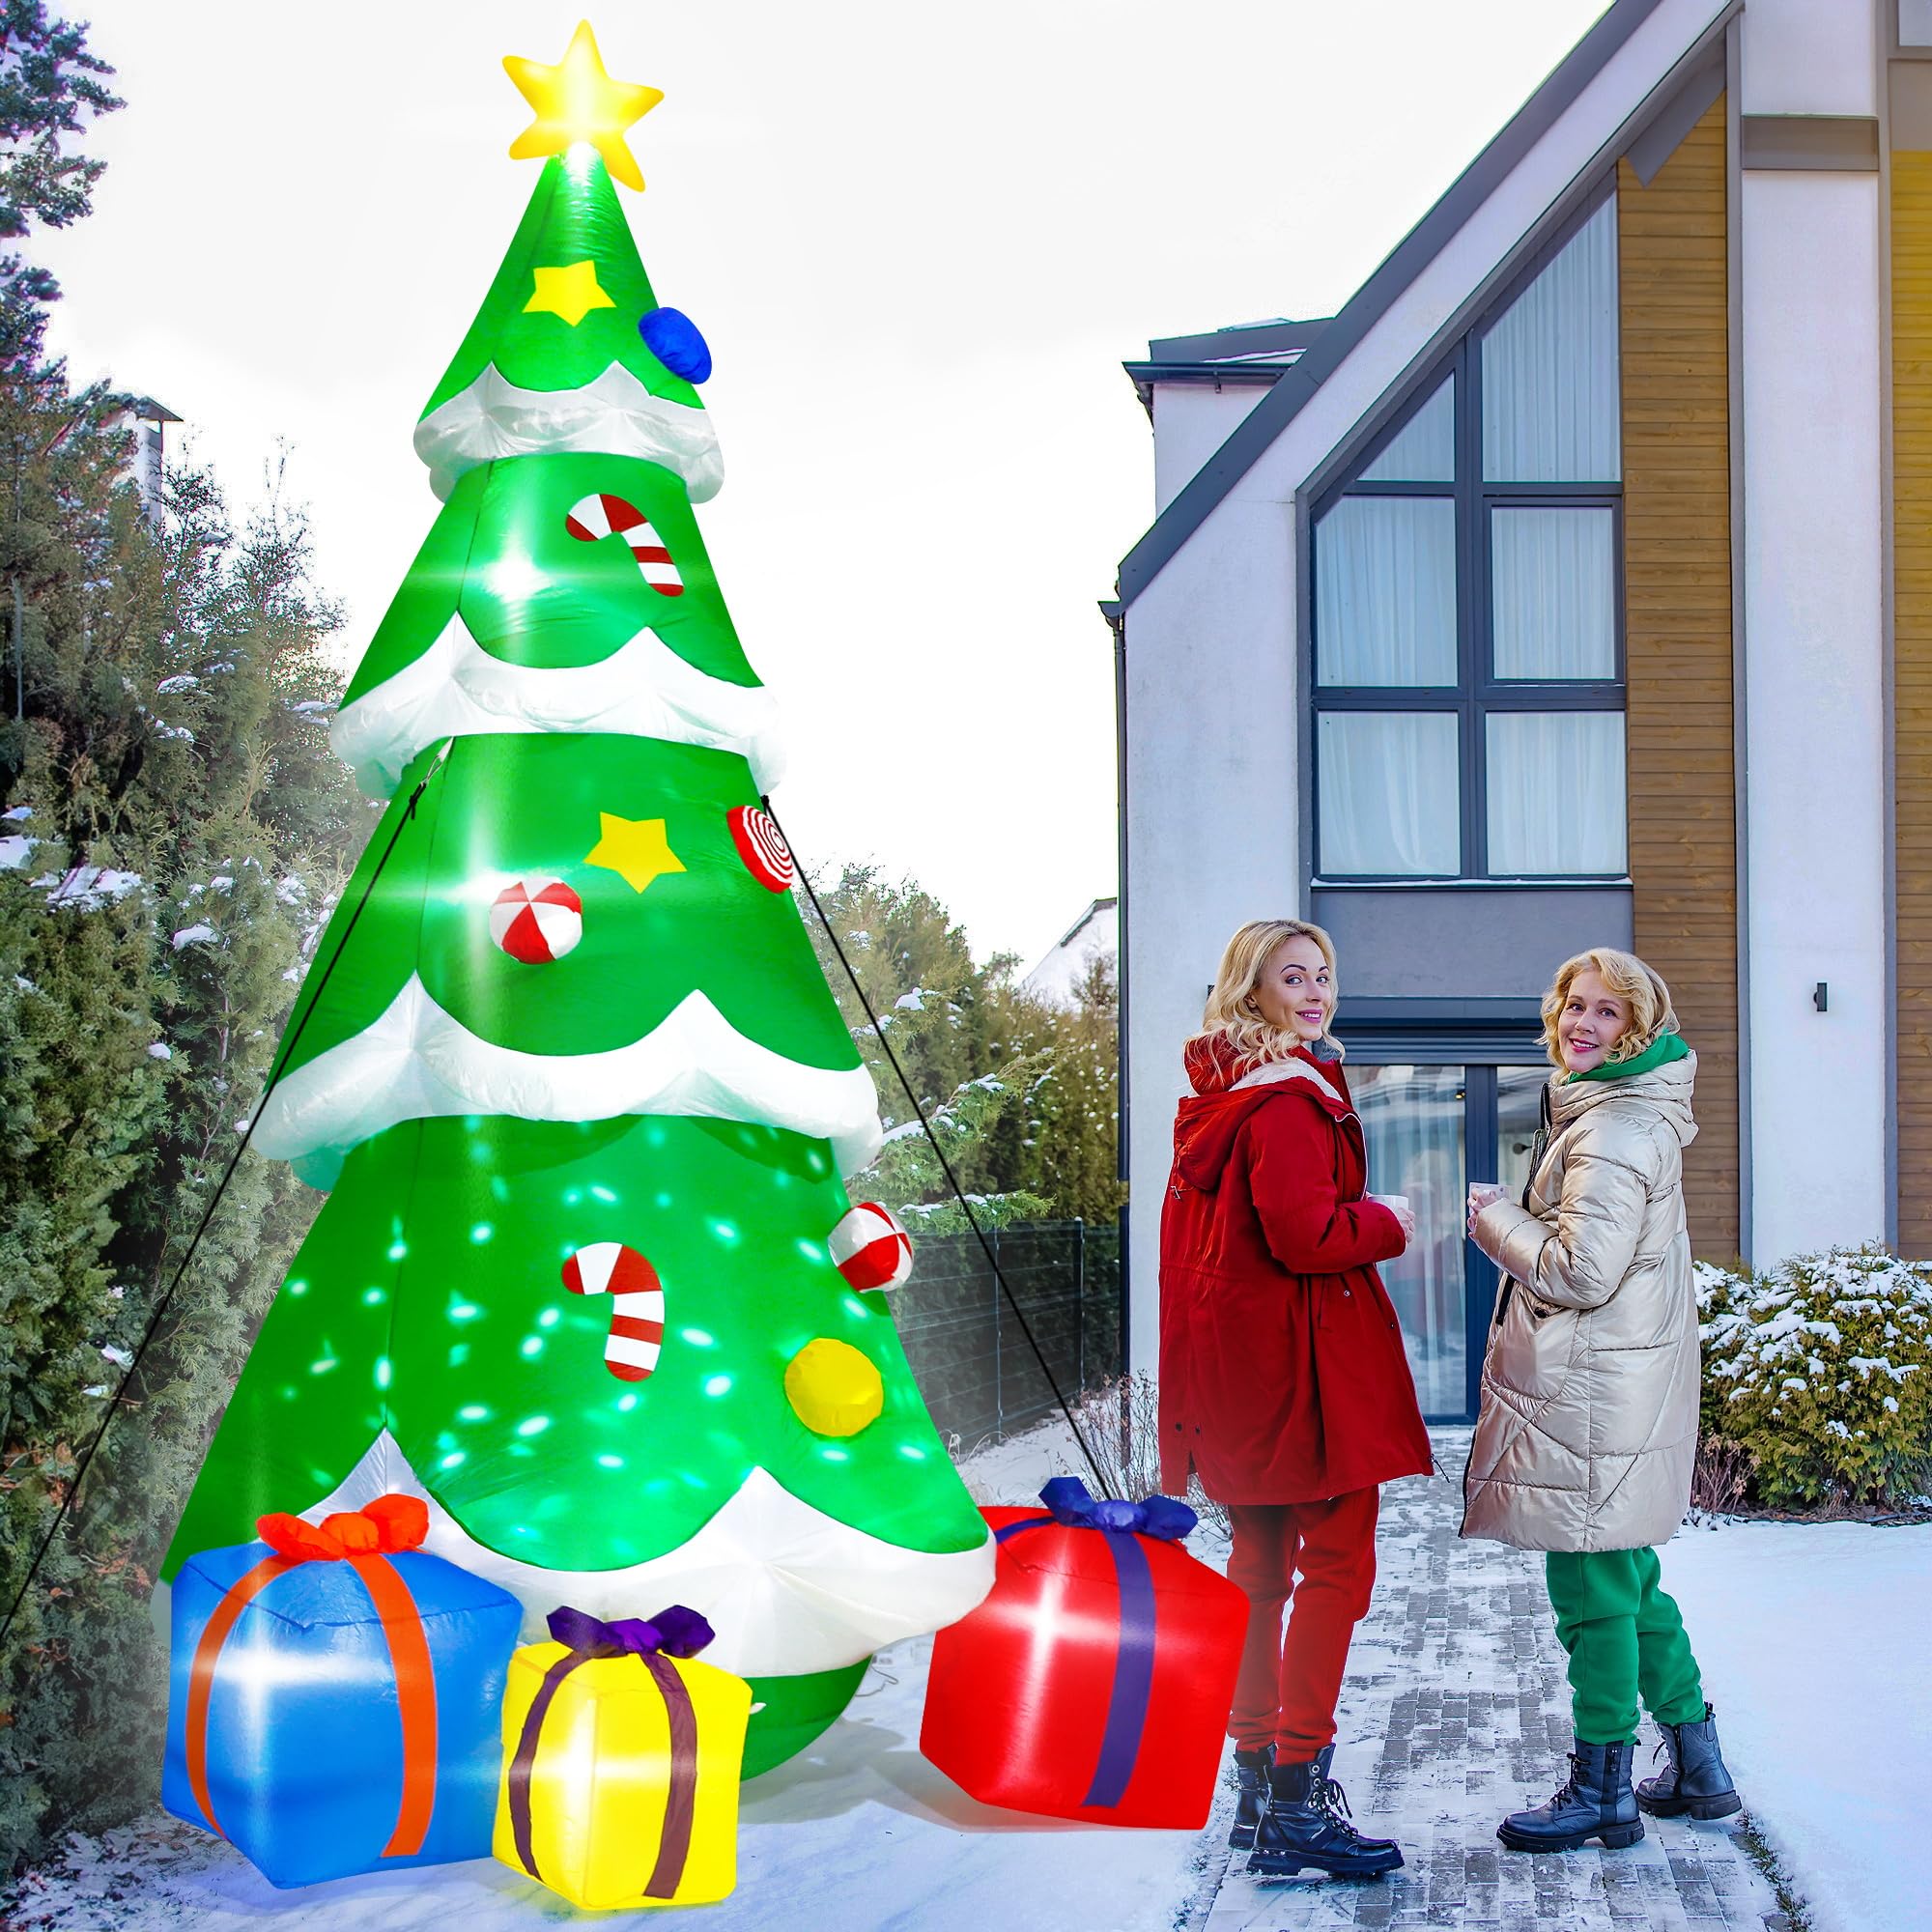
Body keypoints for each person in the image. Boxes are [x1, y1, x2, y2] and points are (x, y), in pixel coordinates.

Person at [1160, 919, 1432, 1879]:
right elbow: (1303, 1233)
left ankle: (1252, 1784)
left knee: (1260, 1569)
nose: (1314, 991)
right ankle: (1297, 1797)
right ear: (1252, 990)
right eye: (1292, 977)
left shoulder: (1221, 1098)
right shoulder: (1283, 1104)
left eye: (1322, 974)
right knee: (1335, 1571)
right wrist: (1388, 1219)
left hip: (1246, 1379)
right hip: (1304, 1381)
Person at [1463, 947, 1742, 1855]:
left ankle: (1603, 1789)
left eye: (1607, 1012)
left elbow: (1580, 1271)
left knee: (1590, 1592)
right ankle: (1700, 1767)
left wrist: (1494, 1219)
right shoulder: (1617, 1112)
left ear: (1641, 1027)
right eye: (1575, 1006)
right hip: (1611, 1387)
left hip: (1592, 1396)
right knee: (1629, 1582)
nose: (1582, 1023)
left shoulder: (1616, 1128)